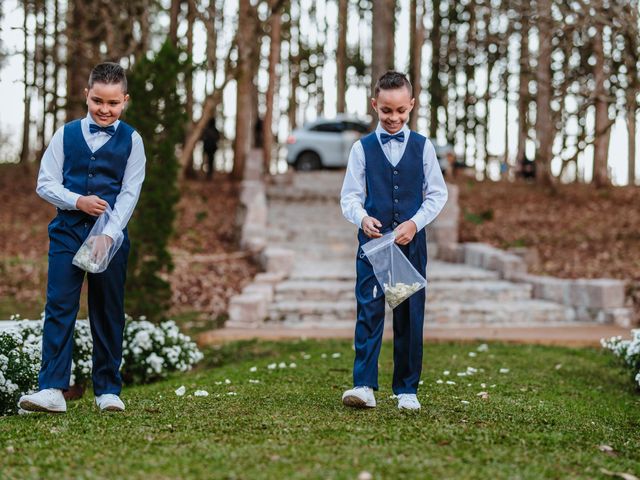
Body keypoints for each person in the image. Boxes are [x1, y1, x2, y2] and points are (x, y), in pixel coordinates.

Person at [19, 62, 146, 413]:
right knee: (60, 306)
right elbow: (45, 183)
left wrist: (107, 234)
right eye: (97, 101)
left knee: (107, 311)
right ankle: (52, 390)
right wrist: (77, 201)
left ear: (125, 101)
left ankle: (107, 390)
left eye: (113, 103)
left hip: (110, 236)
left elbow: (130, 193)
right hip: (67, 232)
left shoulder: (133, 141)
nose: (105, 109)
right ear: (86, 96)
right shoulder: (65, 134)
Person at [340, 71, 448, 411]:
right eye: (387, 111)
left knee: (409, 316)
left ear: (412, 106)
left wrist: (415, 224)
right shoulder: (362, 148)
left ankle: (406, 390)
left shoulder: (423, 147)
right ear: (375, 105)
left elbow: (437, 195)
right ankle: (364, 386)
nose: (394, 118)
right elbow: (350, 197)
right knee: (369, 313)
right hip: (373, 248)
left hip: (409, 245)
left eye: (401, 111)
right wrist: (361, 218)